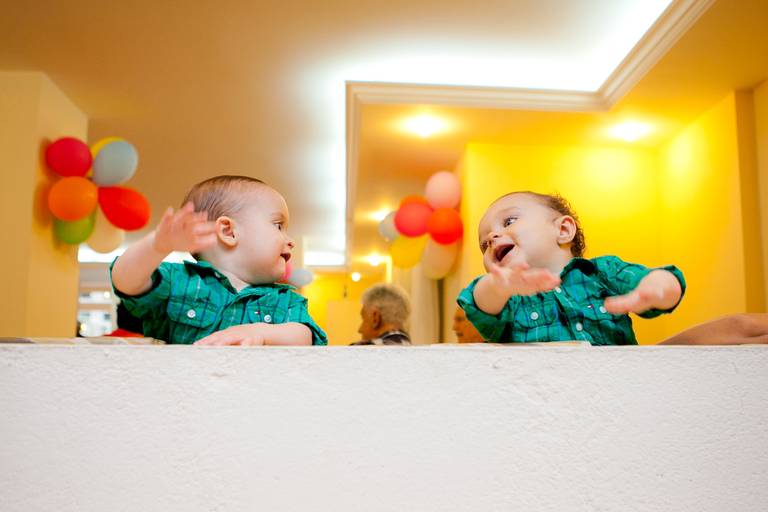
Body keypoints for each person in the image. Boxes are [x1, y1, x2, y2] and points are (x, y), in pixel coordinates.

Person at [110, 175, 327, 346]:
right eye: (278, 225)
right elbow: (126, 282)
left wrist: (260, 332)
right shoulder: (179, 282)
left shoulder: (285, 300)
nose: (290, 241)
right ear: (228, 231)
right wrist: (157, 246)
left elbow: (305, 335)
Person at [457, 191, 685, 345]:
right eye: (484, 244)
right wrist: (497, 286)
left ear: (563, 230)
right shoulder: (509, 300)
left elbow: (658, 280)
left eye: (509, 222)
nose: (492, 237)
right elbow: (480, 304)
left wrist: (659, 289)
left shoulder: (602, 273)